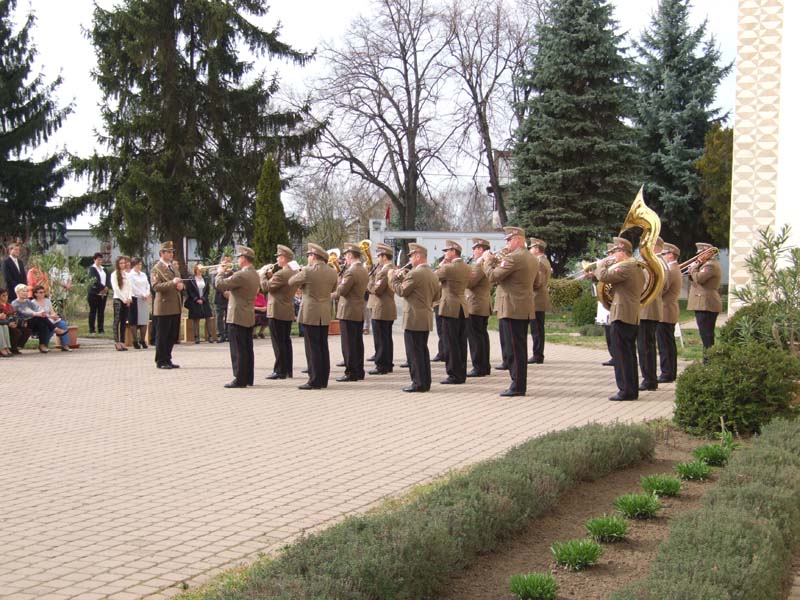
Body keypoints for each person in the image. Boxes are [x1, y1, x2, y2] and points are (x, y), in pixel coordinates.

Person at [483, 227, 537, 397]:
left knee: (514, 349)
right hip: (522, 306)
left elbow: (493, 276)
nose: (506, 244)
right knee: (519, 348)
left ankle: (517, 385)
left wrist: (487, 261)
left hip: (512, 307)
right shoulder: (531, 257)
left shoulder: (514, 257)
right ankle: (519, 383)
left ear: (518, 239)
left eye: (509, 240)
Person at [595, 237, 645, 401]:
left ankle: (625, 390)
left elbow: (603, 275)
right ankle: (631, 389)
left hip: (622, 314)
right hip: (629, 313)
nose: (612, 255)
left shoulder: (626, 265)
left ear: (622, 252)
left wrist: (602, 263)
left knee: (622, 355)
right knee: (628, 354)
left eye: (614, 252)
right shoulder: (635, 266)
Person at [389, 243, 441, 393]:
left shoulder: (415, 274)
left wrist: (393, 278)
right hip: (425, 315)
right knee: (422, 350)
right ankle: (425, 381)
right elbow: (437, 296)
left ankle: (418, 383)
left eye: (411, 256)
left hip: (414, 317)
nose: (410, 260)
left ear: (418, 256)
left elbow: (401, 291)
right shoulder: (432, 273)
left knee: (414, 352)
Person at [289, 243, 339, 390]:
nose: (308, 258)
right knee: (323, 346)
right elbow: (334, 288)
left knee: (312, 348)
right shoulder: (332, 272)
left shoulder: (307, 270)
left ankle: (314, 380)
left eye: (308, 255)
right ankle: (323, 379)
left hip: (310, 312)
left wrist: (301, 272)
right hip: (324, 312)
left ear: (314, 256)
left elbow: (291, 282)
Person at [215, 246, 261, 388]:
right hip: (248, 313)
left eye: (239, 257)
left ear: (244, 258)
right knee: (247, 347)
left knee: (238, 349)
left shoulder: (241, 275)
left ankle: (239, 378)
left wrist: (220, 272)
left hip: (237, 315)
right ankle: (248, 377)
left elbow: (220, 284)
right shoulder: (254, 274)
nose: (238, 260)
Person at [434, 240, 470, 384]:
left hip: (449, 306)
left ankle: (454, 374)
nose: (444, 254)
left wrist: (441, 265)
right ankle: (461, 372)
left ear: (454, 252)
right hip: (462, 306)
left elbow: (434, 277)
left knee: (450, 342)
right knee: (461, 341)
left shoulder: (448, 268)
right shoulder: (466, 267)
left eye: (446, 251)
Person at [333, 243, 369, 382]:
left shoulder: (351, 272)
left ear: (350, 255)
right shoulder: (363, 270)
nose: (345, 259)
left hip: (348, 310)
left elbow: (342, 291)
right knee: (357, 343)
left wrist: (339, 282)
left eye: (346, 256)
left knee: (348, 344)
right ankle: (359, 370)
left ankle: (351, 372)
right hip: (358, 309)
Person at [262, 245, 298, 380]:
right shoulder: (293, 272)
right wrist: (271, 276)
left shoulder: (282, 273)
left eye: (278, 257)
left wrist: (262, 275)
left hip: (277, 310)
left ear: (284, 258)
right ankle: (288, 369)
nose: (277, 259)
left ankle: (279, 370)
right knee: (286, 341)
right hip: (287, 309)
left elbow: (266, 287)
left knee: (278, 342)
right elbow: (279, 285)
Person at [636, 238, 667, 391]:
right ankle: (650, 379)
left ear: (654, 246)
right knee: (647, 345)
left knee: (645, 346)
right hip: (650, 307)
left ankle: (649, 380)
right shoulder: (659, 262)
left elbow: (646, 285)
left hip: (647, 308)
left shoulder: (654, 263)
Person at [150, 241, 184, 369]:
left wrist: (181, 286)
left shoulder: (173, 267)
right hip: (163, 306)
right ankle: (161, 360)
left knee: (171, 335)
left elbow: (179, 282)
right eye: (168, 252)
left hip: (175, 305)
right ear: (162, 253)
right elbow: (156, 287)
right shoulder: (156, 268)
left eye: (172, 252)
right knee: (162, 335)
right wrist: (172, 283)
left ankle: (167, 358)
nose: (171, 254)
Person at [687, 242, 723, 354]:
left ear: (708, 254)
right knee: (705, 335)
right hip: (703, 303)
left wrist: (693, 268)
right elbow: (694, 278)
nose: (699, 256)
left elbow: (699, 279)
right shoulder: (705, 265)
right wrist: (694, 268)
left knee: (706, 335)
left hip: (706, 304)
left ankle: (709, 359)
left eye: (702, 253)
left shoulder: (710, 265)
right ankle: (708, 358)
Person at [366, 243, 397, 375]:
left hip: (381, 308)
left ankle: (381, 365)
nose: (378, 259)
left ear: (384, 257)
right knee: (386, 338)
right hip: (386, 307)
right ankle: (388, 364)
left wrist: (369, 282)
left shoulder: (384, 271)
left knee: (380, 339)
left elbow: (377, 290)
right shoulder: (389, 268)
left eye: (379, 256)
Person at [465, 238, 492, 377]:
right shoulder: (485, 263)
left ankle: (479, 367)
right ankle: (484, 366)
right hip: (482, 304)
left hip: (475, 305)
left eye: (475, 249)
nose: (473, 252)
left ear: (481, 249)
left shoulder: (480, 264)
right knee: (482, 336)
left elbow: (469, 283)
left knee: (475, 338)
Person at [657, 243, 682, 382]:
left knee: (665, 345)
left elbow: (662, 289)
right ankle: (670, 372)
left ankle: (666, 373)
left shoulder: (671, 270)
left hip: (665, 309)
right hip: (668, 309)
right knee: (668, 344)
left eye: (664, 254)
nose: (662, 257)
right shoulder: (674, 268)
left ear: (671, 255)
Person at [12, 284, 56, 352]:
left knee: (42, 324)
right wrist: (37, 313)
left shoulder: (28, 301)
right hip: (22, 323)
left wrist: (41, 312)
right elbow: (25, 312)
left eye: (26, 291)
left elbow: (37, 308)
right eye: (23, 291)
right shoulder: (15, 303)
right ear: (17, 292)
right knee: (39, 318)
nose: (25, 293)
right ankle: (54, 329)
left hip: (31, 321)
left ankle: (42, 345)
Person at [528, 238, 552, 364]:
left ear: (537, 249)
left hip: (537, 298)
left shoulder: (539, 263)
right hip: (538, 298)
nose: (530, 250)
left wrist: (526, 285)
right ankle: (538, 354)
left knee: (536, 329)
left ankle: (537, 355)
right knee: (537, 328)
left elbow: (538, 282)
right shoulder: (543, 261)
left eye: (531, 248)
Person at [29, 284, 72, 352]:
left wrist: (54, 316)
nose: (43, 294)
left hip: (50, 318)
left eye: (44, 292)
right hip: (41, 320)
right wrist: (51, 316)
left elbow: (52, 311)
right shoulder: (33, 303)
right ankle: (44, 345)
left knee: (62, 324)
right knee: (48, 326)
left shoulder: (47, 301)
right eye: (40, 292)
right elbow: (39, 315)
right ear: (35, 294)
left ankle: (65, 345)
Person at [185, 263, 214, 343]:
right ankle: (196, 337)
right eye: (198, 269)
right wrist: (196, 299)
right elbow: (189, 291)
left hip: (204, 301)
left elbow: (207, 290)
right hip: (195, 301)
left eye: (201, 269)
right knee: (196, 319)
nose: (200, 271)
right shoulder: (191, 279)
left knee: (208, 318)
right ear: (195, 270)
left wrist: (203, 299)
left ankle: (210, 336)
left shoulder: (205, 278)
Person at [111, 255, 133, 351]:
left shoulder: (127, 275)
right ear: (117, 264)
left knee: (124, 321)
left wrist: (129, 298)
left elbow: (130, 287)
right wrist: (124, 299)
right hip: (118, 299)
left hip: (126, 300)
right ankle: (117, 342)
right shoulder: (114, 274)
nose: (123, 265)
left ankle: (123, 341)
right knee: (117, 321)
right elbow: (116, 289)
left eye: (124, 263)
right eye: (121, 263)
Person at [128, 258, 150, 349]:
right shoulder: (130, 275)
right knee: (134, 320)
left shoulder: (143, 274)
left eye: (140, 264)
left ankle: (142, 340)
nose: (139, 266)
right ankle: (135, 340)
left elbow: (147, 285)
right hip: (135, 298)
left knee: (144, 320)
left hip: (144, 299)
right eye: (137, 264)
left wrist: (147, 293)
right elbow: (132, 286)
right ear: (133, 265)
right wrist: (141, 294)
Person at [0, 288, 31, 354]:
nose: (5, 297)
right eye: (3, 295)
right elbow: (3, 318)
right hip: (4, 324)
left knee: (27, 331)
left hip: (12, 323)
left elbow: (15, 315)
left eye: (6, 295)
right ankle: (12, 348)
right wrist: (9, 323)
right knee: (17, 332)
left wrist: (20, 322)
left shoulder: (9, 305)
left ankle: (17, 346)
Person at [87, 252, 110, 334]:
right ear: (94, 260)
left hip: (103, 293)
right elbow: (94, 280)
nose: (100, 261)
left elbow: (108, 279)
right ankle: (92, 329)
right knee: (93, 311)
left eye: (101, 260)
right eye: (98, 260)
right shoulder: (92, 269)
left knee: (101, 312)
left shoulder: (104, 269)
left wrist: (106, 287)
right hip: (94, 293)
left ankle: (101, 329)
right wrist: (102, 288)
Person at [214, 254, 233, 343]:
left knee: (229, 317)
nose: (228, 263)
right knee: (219, 317)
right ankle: (220, 335)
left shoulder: (233, 272)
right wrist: (224, 292)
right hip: (219, 297)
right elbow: (214, 283)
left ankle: (228, 334)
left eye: (229, 261)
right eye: (226, 261)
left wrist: (230, 292)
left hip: (230, 297)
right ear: (222, 262)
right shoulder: (217, 271)